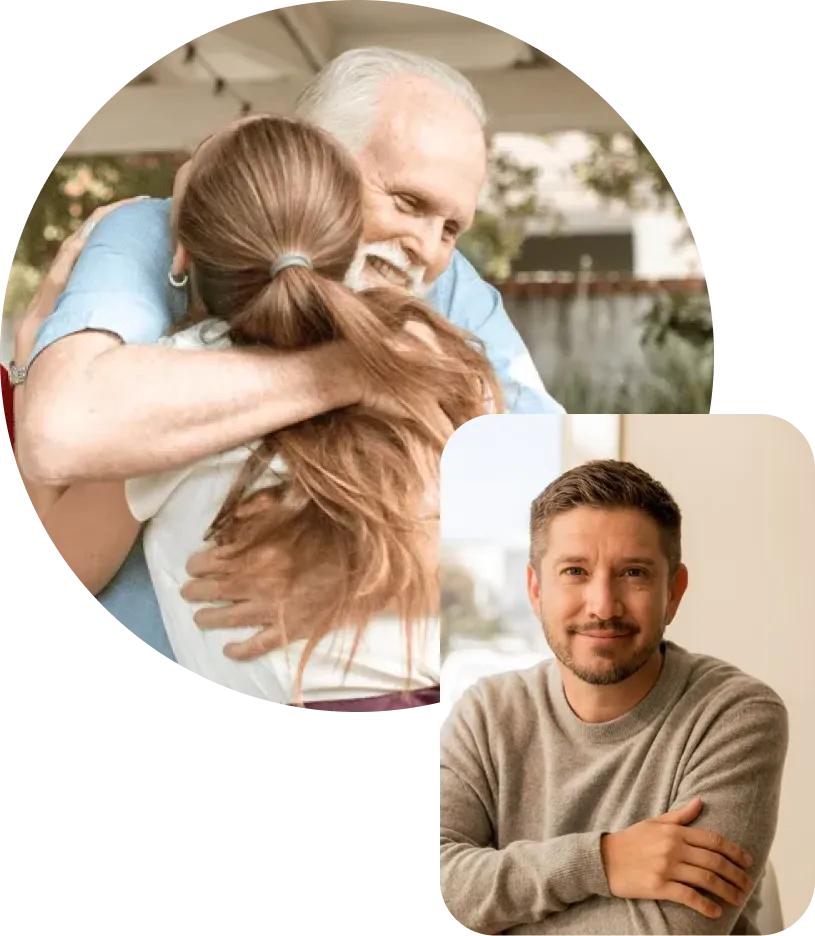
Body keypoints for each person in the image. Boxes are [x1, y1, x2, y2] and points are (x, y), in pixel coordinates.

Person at [12, 47, 563, 664]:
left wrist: (372, 576)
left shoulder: (448, 295)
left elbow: (570, 517)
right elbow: (62, 438)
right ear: (311, 154)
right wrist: (351, 371)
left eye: (451, 228)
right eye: (407, 202)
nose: (429, 249)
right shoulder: (154, 241)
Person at [440, 460, 788, 934]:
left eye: (633, 572)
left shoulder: (735, 714)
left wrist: (491, 914)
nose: (603, 605)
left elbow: (675, 930)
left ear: (673, 593)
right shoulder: (485, 713)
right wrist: (601, 860)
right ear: (536, 590)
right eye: (575, 571)